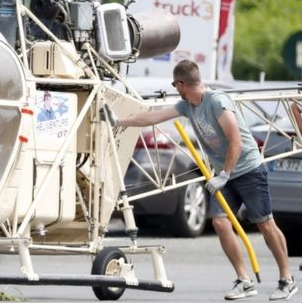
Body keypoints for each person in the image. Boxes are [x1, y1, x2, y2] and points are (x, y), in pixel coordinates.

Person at [109, 59, 297, 301]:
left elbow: (236, 141)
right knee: (219, 222)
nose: (176, 89)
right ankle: (244, 280)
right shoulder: (188, 105)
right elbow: (153, 118)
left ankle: (286, 279)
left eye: (175, 85)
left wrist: (224, 175)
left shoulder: (217, 101)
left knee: (265, 224)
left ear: (181, 83)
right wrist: (120, 121)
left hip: (248, 170)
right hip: (225, 175)